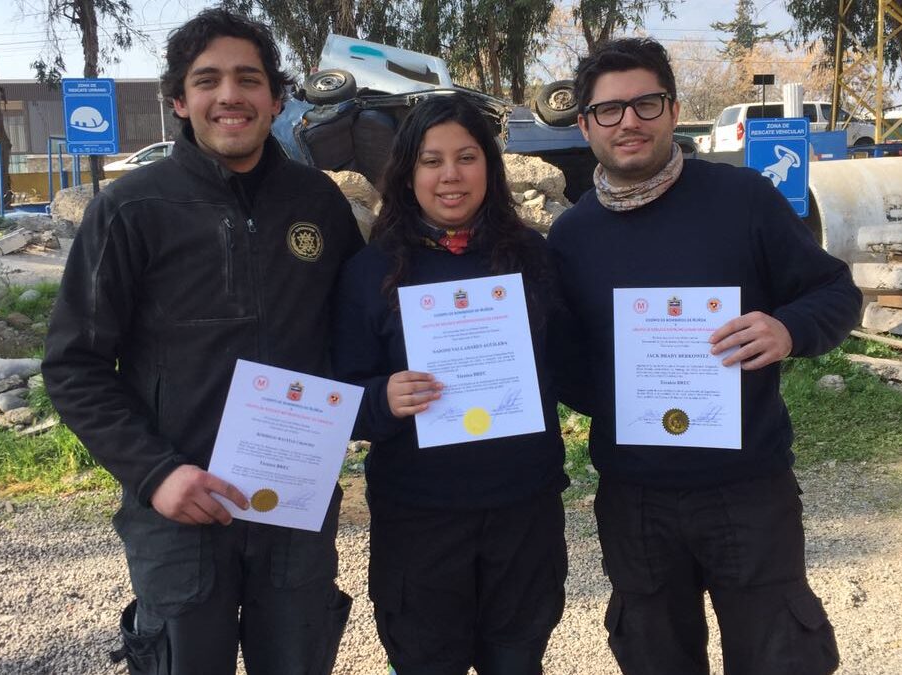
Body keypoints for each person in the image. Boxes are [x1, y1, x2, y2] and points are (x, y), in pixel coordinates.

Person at [42, 9, 364, 675]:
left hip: (293, 506)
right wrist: (157, 474)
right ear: (179, 101)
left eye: (249, 79)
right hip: (180, 512)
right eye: (208, 79)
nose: (229, 95)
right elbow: (74, 365)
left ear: (276, 99)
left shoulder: (321, 206)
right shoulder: (130, 208)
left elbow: (357, 339)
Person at [547, 38, 861, 675]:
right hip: (635, 498)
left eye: (646, 103)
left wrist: (787, 329)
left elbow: (836, 291)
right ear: (584, 126)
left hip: (747, 489)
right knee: (654, 656)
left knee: (780, 656)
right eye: (609, 110)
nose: (629, 121)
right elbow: (568, 357)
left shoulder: (742, 200)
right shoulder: (573, 235)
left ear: (672, 109)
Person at [331, 93, 569, 675]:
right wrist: (381, 398)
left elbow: (570, 361)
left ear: (489, 165)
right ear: (408, 173)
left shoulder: (531, 257)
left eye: (466, 157)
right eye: (432, 161)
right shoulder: (370, 270)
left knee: (517, 660)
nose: (451, 175)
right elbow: (338, 394)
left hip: (522, 510)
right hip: (420, 520)